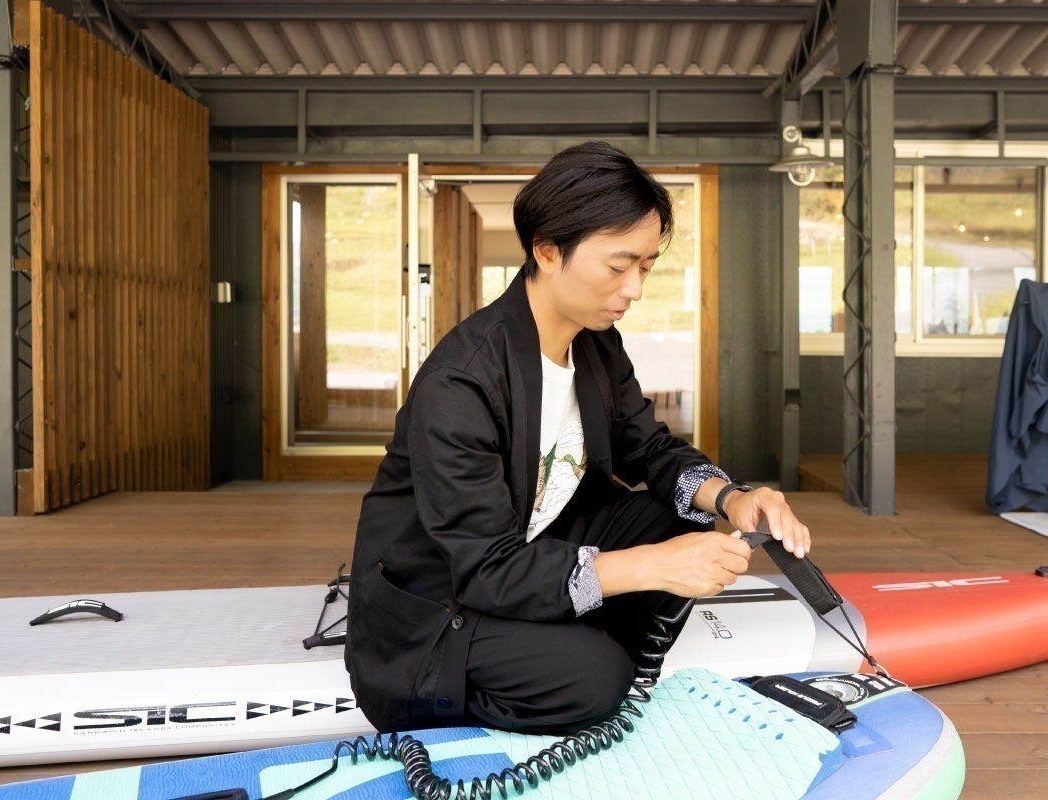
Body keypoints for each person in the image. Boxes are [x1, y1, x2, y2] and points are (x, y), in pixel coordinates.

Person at [345, 141, 811, 735]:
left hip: (532, 545)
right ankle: (568, 658)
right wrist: (649, 566)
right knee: (595, 680)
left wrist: (733, 499)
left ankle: (569, 639)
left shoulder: (594, 342)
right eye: (619, 267)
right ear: (547, 251)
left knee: (681, 519)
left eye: (646, 267)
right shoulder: (462, 382)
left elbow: (648, 447)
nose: (634, 288)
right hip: (444, 598)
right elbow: (484, 567)